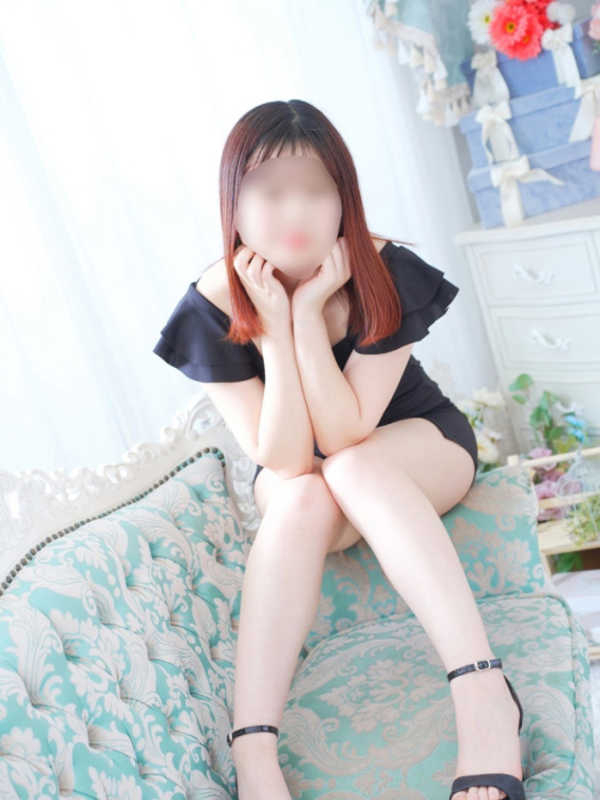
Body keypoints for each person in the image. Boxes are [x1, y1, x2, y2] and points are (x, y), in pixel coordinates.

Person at [153, 99, 525, 800]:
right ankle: (253, 749)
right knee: (299, 494)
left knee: (353, 464)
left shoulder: (384, 269)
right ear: (234, 203)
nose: (295, 211)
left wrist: (305, 313)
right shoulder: (210, 304)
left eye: (317, 190)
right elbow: (286, 458)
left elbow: (348, 433)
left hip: (413, 441)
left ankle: (483, 693)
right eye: (270, 191)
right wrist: (276, 332)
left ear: (344, 198)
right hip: (298, 464)